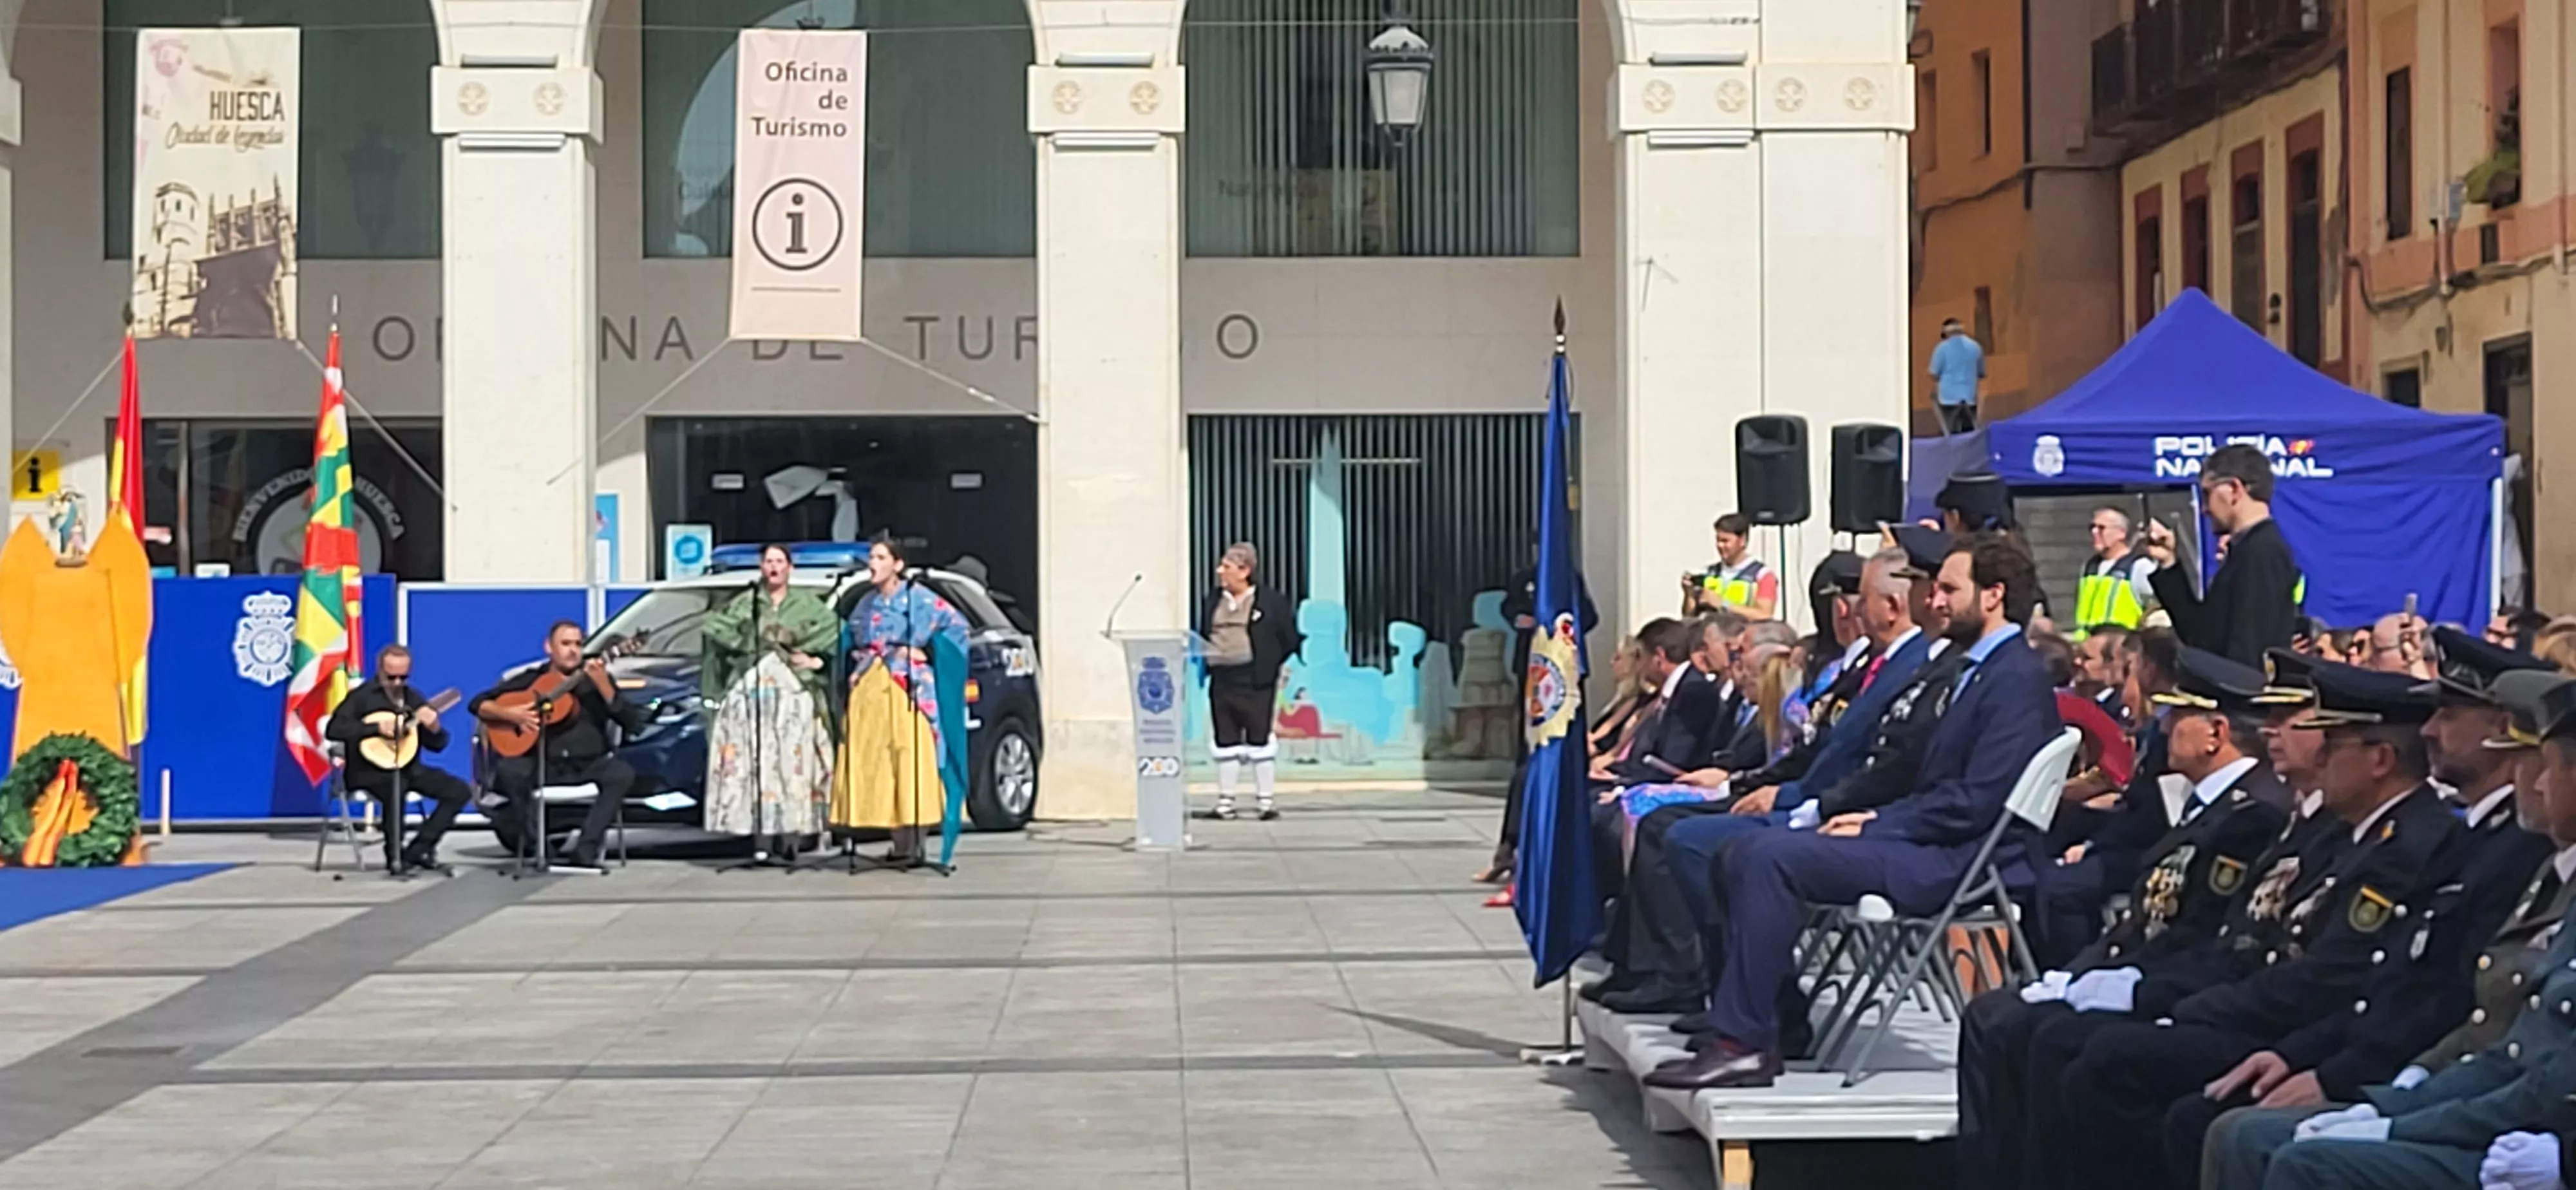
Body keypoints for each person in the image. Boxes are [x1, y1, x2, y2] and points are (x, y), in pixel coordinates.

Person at [1645, 534, 2060, 1089]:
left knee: (1771, 857)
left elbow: (1976, 800)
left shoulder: (2014, 678)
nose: (1934, 601)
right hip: (1925, 836)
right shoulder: (1975, 667)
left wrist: (1879, 822)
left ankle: (1743, 1043)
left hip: (1956, 859)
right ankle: (1753, 1026)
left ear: (1994, 596)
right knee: (1738, 848)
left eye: (1950, 590)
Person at [2028, 664, 2465, 1190]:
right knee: (2085, 1047)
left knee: (2121, 1068)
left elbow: (2334, 976)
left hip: (2296, 1027)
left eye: (2335, 741)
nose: (2319, 752)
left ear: (2380, 760)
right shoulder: (2351, 833)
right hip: (2268, 1012)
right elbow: (2250, 939)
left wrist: (2178, 1007)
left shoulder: (2402, 844)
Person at [2202, 672, 2576, 1190]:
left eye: (2546, 766)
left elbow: (2477, 1016)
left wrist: (2390, 1110)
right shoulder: (2530, 863)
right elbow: (2491, 1035)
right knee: (2248, 1134)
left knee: (2295, 1158)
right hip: (2473, 1086)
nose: (2532, 783)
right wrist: (2403, 1094)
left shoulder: (2508, 851)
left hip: (2523, 1129)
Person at [1955, 646, 2291, 1190]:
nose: (2164, 725)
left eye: (2178, 716)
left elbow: (2202, 928)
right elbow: (2146, 914)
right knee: (1994, 1015)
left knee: (2053, 1039)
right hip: (2147, 966)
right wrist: (2083, 971)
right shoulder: (2209, 807)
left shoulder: (2252, 815)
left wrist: (2130, 985)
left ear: (2215, 733)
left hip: (2187, 986)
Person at [833, 533, 971, 864]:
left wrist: (927, 650)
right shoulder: (865, 603)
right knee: (879, 758)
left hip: (907, 683)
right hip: (871, 682)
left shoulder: (919, 598)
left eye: (881, 558)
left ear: (898, 565)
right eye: (872, 558)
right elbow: (851, 637)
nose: (873, 565)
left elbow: (957, 627)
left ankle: (917, 840)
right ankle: (897, 841)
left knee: (910, 756)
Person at [472, 621, 649, 871]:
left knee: (621, 774)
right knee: (510, 771)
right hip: (545, 762)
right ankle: (539, 846)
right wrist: (513, 715)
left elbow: (633, 723)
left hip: (588, 762)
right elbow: (479, 704)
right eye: (565, 644)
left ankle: (586, 848)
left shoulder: (596, 680)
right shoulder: (531, 679)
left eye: (578, 644)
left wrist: (605, 687)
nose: (573, 650)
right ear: (549, 647)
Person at [700, 543, 840, 860]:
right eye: (768, 562)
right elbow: (714, 627)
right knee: (757, 764)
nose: (774, 567)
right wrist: (750, 643)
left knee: (793, 764)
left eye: (780, 561)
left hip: (793, 694)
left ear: (790, 567)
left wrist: (812, 659)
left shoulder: (808, 604)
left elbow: (835, 631)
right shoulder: (745, 603)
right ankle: (760, 840)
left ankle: (792, 837)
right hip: (753, 693)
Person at [2143, 444, 2305, 668]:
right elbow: (2201, 636)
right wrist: (2169, 563)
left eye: (2207, 493)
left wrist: (2229, 700)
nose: (2204, 509)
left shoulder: (2262, 551)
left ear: (2234, 490)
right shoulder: (2247, 549)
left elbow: (2248, 653)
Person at [323, 643, 472, 873]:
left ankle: (419, 849)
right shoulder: (361, 697)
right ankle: (394, 857)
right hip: (367, 772)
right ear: (380, 671)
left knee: (459, 791)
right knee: (396, 785)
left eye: (403, 678)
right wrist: (374, 728)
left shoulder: (413, 698)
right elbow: (334, 729)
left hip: (408, 768)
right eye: (391, 677)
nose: (397, 684)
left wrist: (433, 728)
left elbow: (438, 746)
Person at [1197, 542, 1300, 822]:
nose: (1220, 571)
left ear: (1245, 571)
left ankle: (1265, 802)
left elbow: (1289, 638)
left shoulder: (1271, 602)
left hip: (1255, 680)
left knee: (1259, 739)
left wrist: (1268, 663)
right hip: (1222, 679)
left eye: (1227, 567)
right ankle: (1225, 802)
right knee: (1225, 740)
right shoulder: (1213, 600)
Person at [2077, 507, 2158, 640]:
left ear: (2121, 533)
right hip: (2089, 648)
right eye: (2092, 527)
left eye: (2101, 528)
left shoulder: (2139, 567)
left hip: (2120, 651)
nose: (2094, 532)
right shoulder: (2090, 566)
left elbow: (2157, 607)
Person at [1687, 513, 1777, 620]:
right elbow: (1689, 617)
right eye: (1718, 540)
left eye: (1725, 541)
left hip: (1743, 634)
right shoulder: (1708, 572)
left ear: (1742, 541)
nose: (1720, 546)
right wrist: (1689, 594)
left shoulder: (1762, 575)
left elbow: (1765, 616)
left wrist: (1724, 604)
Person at [1929, 316, 1986, 435]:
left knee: (1949, 432)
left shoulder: (1941, 349)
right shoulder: (1975, 347)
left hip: (1948, 399)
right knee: (1969, 432)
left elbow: (1934, 373)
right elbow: (1981, 373)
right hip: (1970, 398)